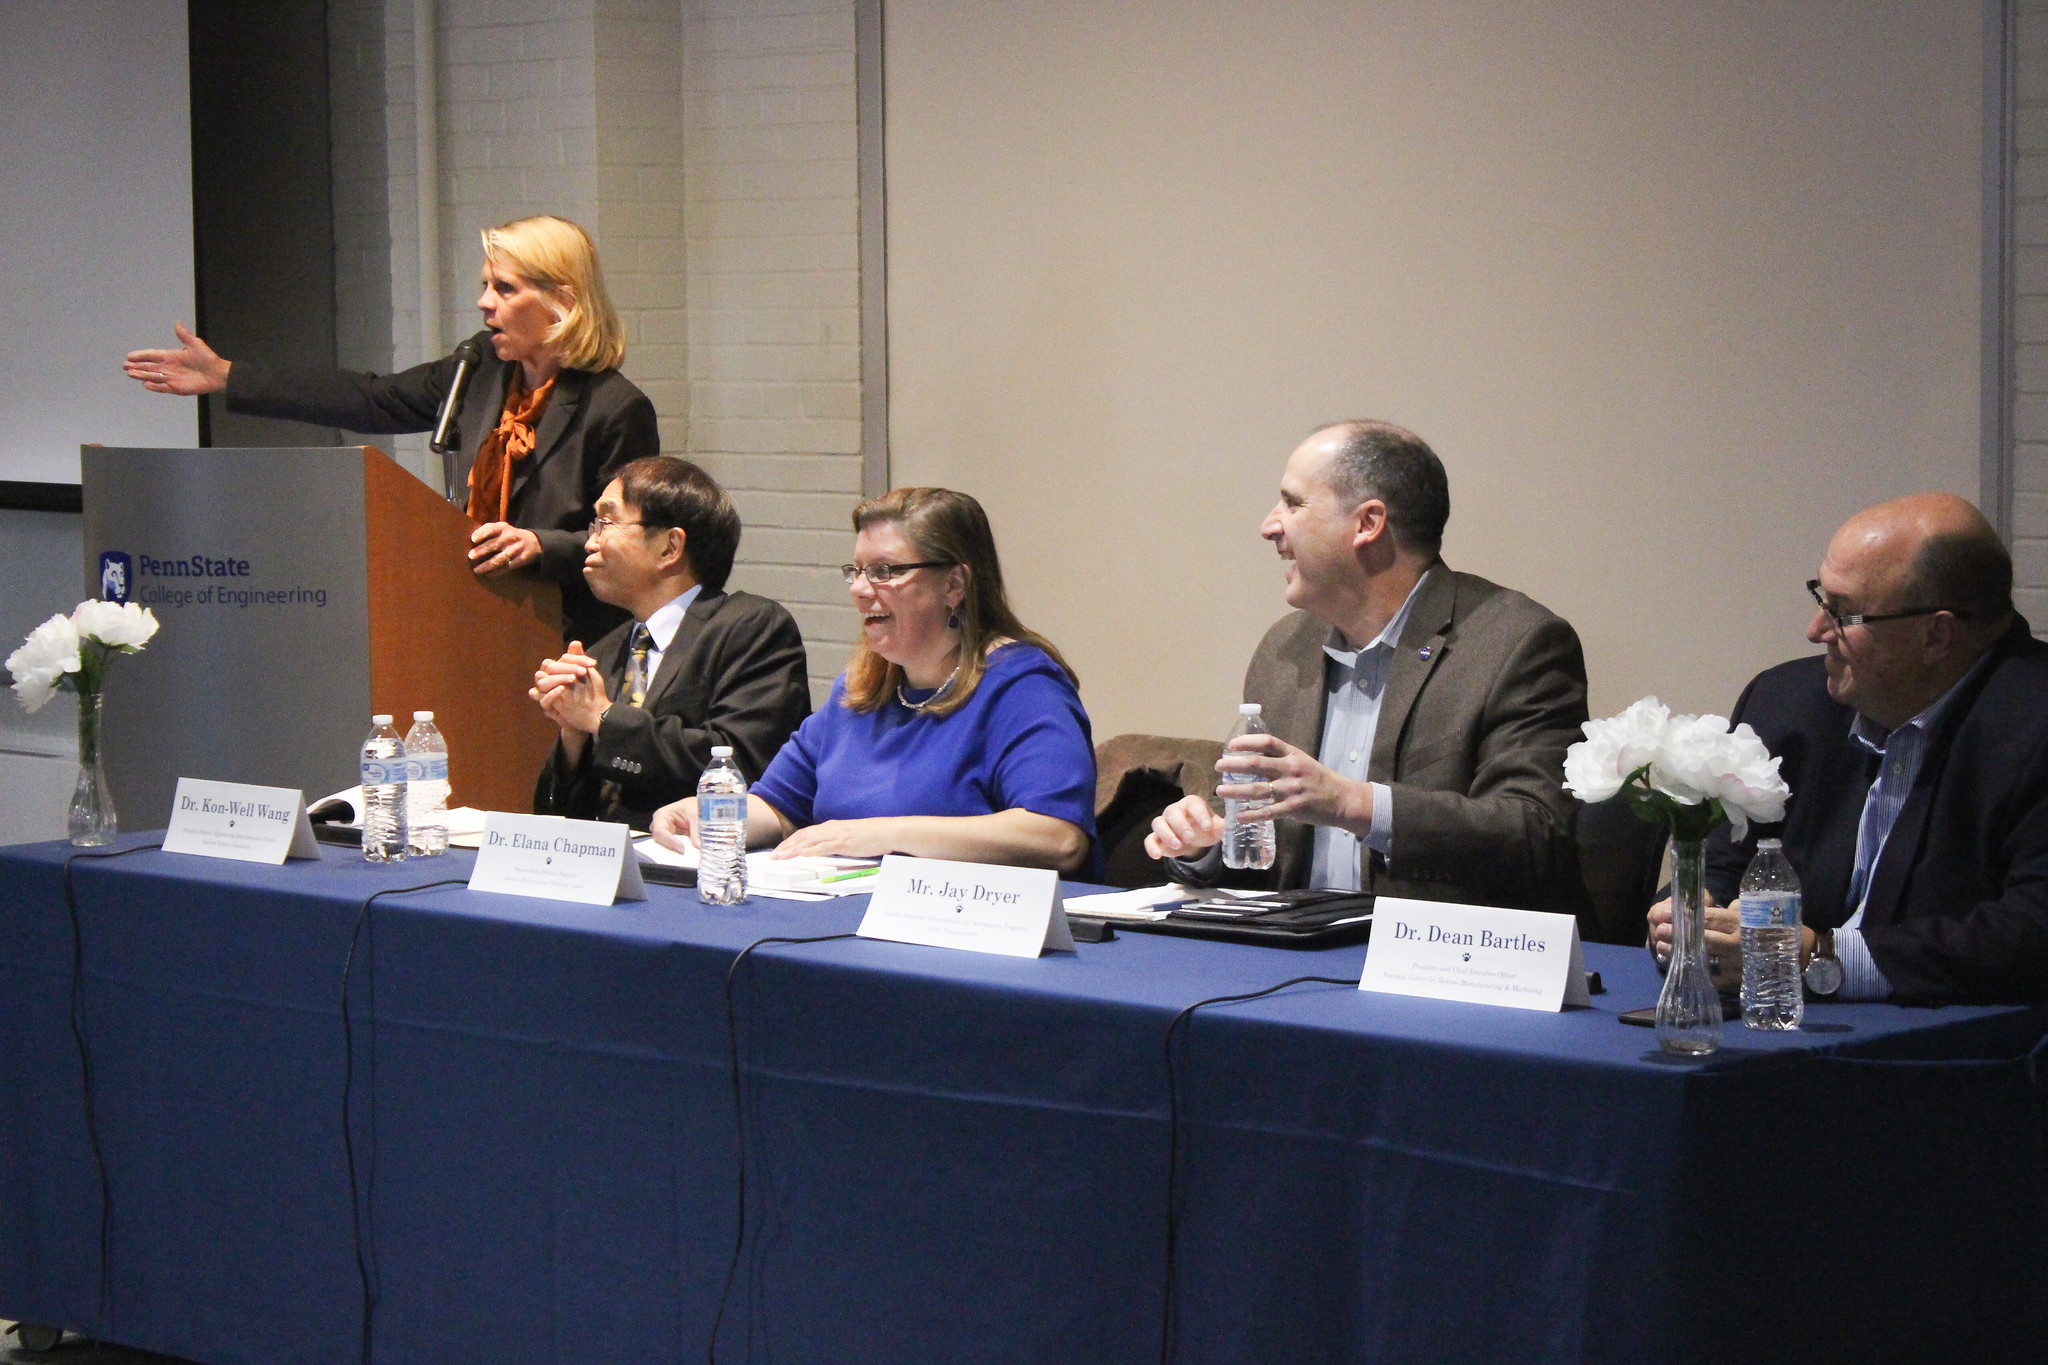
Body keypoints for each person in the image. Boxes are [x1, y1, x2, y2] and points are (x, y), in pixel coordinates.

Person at [122, 214, 657, 643]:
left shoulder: (614, 408)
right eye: (484, 285)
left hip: (567, 637)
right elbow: (369, 398)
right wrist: (229, 377)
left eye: (504, 288)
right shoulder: (477, 374)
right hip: (476, 620)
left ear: (561, 301)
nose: (483, 302)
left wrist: (539, 545)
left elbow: (630, 541)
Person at [1144, 420, 1590, 910]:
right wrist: (1205, 844)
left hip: (1441, 962)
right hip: (1293, 958)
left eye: (1293, 503)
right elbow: (1263, 850)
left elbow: (1534, 834)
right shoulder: (1284, 651)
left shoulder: (1515, 644)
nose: (1270, 526)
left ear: (1367, 524)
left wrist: (1353, 804)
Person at [1650, 493, 2048, 1005]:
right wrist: (1689, 912)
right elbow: (1727, 862)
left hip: (1963, 1056)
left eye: (1843, 614)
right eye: (1821, 600)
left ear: (1937, 635)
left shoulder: (2032, 722)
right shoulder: (1784, 703)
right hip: (1776, 1027)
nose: (1815, 631)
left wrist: (1822, 958)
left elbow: (2030, 930)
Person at [649, 487, 1096, 874]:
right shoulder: (861, 688)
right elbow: (779, 807)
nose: (860, 589)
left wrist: (881, 836)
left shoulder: (1023, 687)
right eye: (857, 570)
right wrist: (709, 815)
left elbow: (1057, 837)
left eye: (885, 571)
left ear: (954, 584)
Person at [528, 456, 810, 829]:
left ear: (669, 547)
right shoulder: (605, 652)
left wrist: (602, 718)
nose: (590, 542)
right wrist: (573, 731)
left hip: (701, 862)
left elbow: (741, 765)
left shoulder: (750, 627)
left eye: (606, 522)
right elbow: (559, 817)